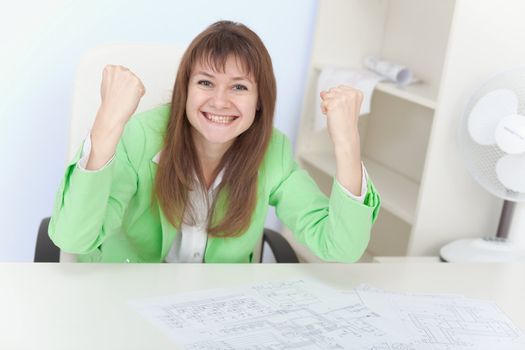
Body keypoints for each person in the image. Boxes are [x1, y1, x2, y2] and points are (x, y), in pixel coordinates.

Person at [49, 20, 380, 263]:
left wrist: (347, 142)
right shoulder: (139, 137)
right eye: (206, 82)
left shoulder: (272, 152)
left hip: (218, 313)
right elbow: (73, 238)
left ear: (259, 101)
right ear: (185, 90)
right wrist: (107, 124)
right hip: (129, 302)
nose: (220, 102)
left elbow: (341, 249)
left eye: (239, 87)